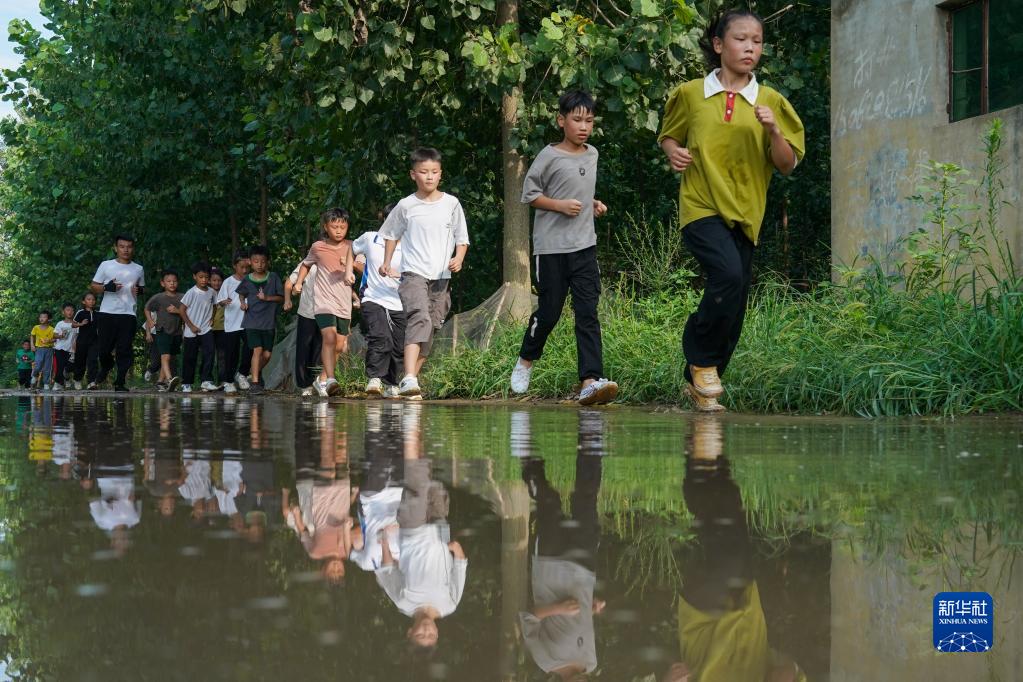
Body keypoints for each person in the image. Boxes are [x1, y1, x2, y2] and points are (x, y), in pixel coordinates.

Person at [657, 8, 804, 412]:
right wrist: (674, 153)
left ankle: (705, 382)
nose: (750, 48)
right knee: (727, 274)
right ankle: (701, 360)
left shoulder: (771, 101)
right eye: (741, 39)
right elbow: (668, 136)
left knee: (735, 297)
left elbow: (787, 163)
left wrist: (774, 129)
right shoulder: (691, 94)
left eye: (757, 41)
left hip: (746, 212)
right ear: (719, 45)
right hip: (701, 205)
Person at [509, 90, 619, 407]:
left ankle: (590, 380)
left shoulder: (592, 154)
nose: (583, 126)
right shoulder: (548, 155)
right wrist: (558, 205)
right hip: (551, 249)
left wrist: (592, 204)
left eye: (589, 120)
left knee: (587, 314)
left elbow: (580, 191)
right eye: (576, 120)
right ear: (561, 120)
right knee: (549, 313)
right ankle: (526, 359)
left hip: (584, 246)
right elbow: (530, 195)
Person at [519, 411, 606, 679]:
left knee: (550, 503)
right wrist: (590, 608)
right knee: (586, 499)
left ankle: (528, 456)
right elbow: (580, 626)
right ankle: (591, 433)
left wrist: (557, 609)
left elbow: (527, 617)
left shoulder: (546, 662)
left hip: (550, 565)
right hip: (583, 570)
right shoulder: (591, 664)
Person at [378, 148, 470, 399]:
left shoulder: (451, 204)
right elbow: (391, 234)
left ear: (440, 174)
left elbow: (462, 238)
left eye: (434, 172)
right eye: (423, 172)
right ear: (413, 174)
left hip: (441, 277)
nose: (429, 177)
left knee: (433, 327)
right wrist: (386, 262)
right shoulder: (406, 205)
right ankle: (408, 377)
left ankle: (409, 381)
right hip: (413, 273)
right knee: (420, 318)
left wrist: (458, 259)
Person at [294, 208, 356, 398]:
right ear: (325, 227)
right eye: (334, 227)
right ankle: (330, 379)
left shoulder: (352, 246)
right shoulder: (318, 247)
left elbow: (363, 265)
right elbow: (306, 264)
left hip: (343, 303)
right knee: (328, 338)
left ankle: (321, 380)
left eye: (342, 227)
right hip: (323, 302)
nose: (338, 231)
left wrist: (349, 264)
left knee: (339, 344)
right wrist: (298, 282)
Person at [353, 207, 406, 398]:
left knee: (399, 344)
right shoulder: (370, 238)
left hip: (400, 300)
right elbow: (349, 249)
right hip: (372, 296)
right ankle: (374, 379)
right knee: (380, 336)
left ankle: (392, 382)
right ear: (382, 219)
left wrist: (398, 274)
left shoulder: (410, 244)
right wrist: (347, 271)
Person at [90, 233, 145, 392]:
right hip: (107, 313)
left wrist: (140, 290)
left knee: (124, 348)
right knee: (104, 350)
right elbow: (94, 286)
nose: (125, 250)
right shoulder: (106, 265)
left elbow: (142, 288)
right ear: (116, 248)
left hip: (128, 314)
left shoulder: (138, 269)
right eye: (122, 246)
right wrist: (107, 287)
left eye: (129, 246)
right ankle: (107, 366)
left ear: (132, 248)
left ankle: (120, 382)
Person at [236, 245, 284, 393]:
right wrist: (242, 303)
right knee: (257, 350)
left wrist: (267, 297)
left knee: (267, 354)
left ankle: (252, 373)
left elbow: (281, 297)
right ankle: (255, 383)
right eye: (256, 261)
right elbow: (241, 293)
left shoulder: (273, 277)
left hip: (268, 323)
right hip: (252, 321)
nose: (259, 264)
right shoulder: (247, 280)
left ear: (267, 262)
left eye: (262, 261)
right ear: (250, 262)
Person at [283, 252, 322, 396]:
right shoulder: (306, 265)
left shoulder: (333, 263)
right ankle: (304, 385)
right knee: (304, 349)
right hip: (307, 313)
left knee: (320, 349)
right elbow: (289, 282)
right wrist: (287, 300)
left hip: (326, 313)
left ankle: (317, 381)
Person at [178, 261, 219, 393]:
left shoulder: (212, 292)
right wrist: (191, 326)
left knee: (209, 353)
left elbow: (214, 305)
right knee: (190, 357)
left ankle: (206, 380)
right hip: (192, 330)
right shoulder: (191, 292)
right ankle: (186, 383)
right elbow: (182, 310)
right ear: (194, 276)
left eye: (206, 277)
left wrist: (212, 318)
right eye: (201, 277)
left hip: (206, 329)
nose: (204, 280)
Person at [216, 249, 252, 393]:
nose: (244, 270)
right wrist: (224, 302)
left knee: (250, 347)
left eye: (246, 267)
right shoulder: (228, 282)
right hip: (232, 324)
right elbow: (220, 301)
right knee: (232, 353)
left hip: (248, 322)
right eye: (241, 267)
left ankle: (242, 373)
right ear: (234, 266)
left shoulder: (251, 280)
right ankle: (229, 381)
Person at [144, 270, 184, 392]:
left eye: (174, 281)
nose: (172, 283)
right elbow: (146, 308)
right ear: (163, 283)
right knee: (165, 356)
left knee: (169, 357)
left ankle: (160, 382)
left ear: (178, 282)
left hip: (177, 332)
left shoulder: (182, 297)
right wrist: (150, 321)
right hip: (162, 330)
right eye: (169, 281)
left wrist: (177, 311)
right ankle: (170, 379)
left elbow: (187, 312)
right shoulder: (158, 297)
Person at [71, 292, 100, 390]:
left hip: (94, 341)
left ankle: (91, 382)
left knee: (93, 360)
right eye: (88, 299)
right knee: (80, 361)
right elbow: (73, 324)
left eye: (93, 299)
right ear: (84, 301)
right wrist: (81, 324)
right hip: (82, 341)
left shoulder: (97, 313)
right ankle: (77, 380)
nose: (91, 301)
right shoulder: (80, 312)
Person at [52, 302, 77, 390]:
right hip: (59, 348)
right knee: (60, 366)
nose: (70, 312)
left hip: (70, 350)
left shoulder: (76, 324)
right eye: (67, 310)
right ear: (63, 312)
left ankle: (66, 378)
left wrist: (74, 351)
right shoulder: (60, 323)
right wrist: (60, 336)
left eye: (72, 310)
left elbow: (76, 339)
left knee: (69, 367)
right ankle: (57, 383)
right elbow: (54, 335)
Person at [30, 310, 56, 390]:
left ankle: (46, 383)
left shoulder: (52, 329)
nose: (42, 318)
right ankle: (34, 375)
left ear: (49, 319)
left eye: (44, 317)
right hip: (39, 349)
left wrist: (49, 340)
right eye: (40, 317)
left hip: (49, 349)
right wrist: (32, 345)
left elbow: (55, 339)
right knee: (38, 365)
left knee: (48, 367)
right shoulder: (36, 327)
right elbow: (32, 336)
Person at [209, 267, 226, 387]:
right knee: (208, 355)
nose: (216, 283)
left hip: (222, 329)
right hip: (207, 329)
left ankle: (222, 381)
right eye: (214, 280)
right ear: (209, 281)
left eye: (219, 280)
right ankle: (207, 380)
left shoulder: (226, 293)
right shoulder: (206, 293)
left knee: (222, 356)